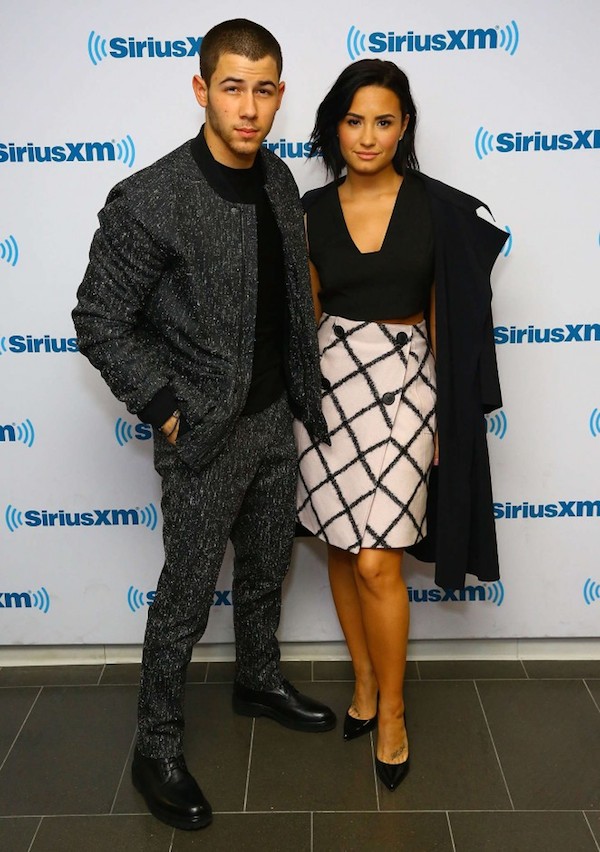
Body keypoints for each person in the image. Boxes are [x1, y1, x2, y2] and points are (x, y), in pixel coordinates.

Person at [72, 18, 335, 832]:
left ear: (279, 95)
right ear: (201, 90)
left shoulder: (281, 182)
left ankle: (257, 678)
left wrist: (297, 393)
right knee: (184, 598)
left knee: (264, 568)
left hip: (270, 420)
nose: (249, 107)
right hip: (202, 435)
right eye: (232, 87)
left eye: (263, 90)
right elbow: (99, 317)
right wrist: (166, 409)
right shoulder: (152, 198)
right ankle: (155, 745)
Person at [294, 59, 507, 792]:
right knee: (343, 547)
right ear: (333, 126)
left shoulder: (437, 210)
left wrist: (451, 415)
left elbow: (454, 316)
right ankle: (360, 681)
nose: (368, 135)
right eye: (353, 120)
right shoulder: (310, 212)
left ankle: (392, 712)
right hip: (329, 390)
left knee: (381, 557)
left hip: (408, 387)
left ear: (405, 126)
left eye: (384, 120)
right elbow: (308, 314)